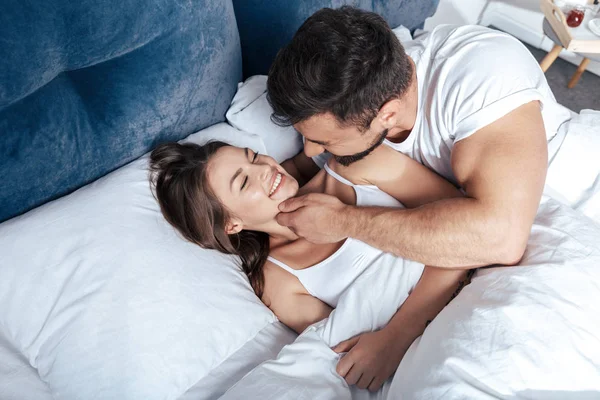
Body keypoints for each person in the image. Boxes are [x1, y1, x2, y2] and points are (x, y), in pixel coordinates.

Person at [266, 6, 579, 385]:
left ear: (387, 114)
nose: (313, 152)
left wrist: (340, 222)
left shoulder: (482, 80)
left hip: (560, 185)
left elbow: (499, 238)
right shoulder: (361, 88)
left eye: (324, 140)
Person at [149, 140, 473, 391]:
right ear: (230, 225)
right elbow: (354, 350)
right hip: (435, 347)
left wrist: (401, 331)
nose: (263, 167)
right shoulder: (277, 280)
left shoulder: (355, 167)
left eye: (252, 155)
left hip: (477, 286)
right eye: (244, 182)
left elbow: (468, 225)